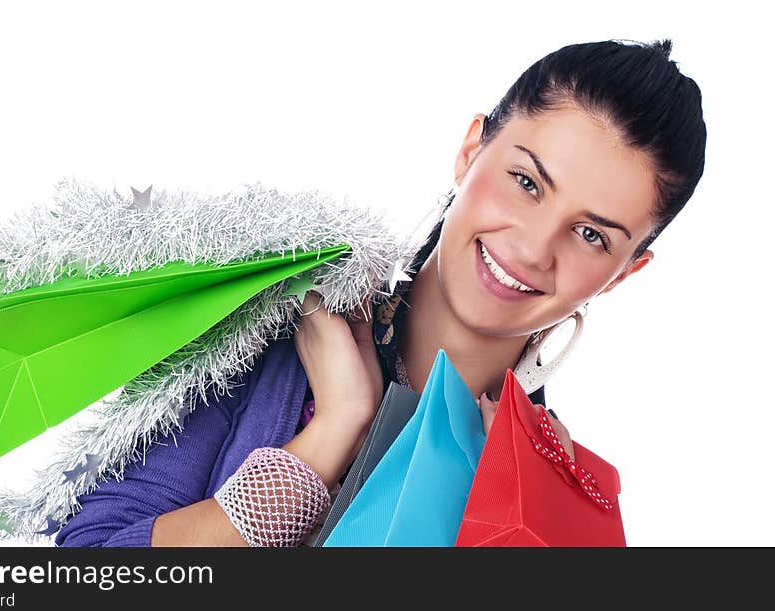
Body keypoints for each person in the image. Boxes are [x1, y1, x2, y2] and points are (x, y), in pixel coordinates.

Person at [55, 38, 706, 547]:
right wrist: (332, 431)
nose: (535, 246)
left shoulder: (557, 494)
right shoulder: (257, 340)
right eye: (527, 182)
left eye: (592, 235)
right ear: (471, 149)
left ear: (624, 271)